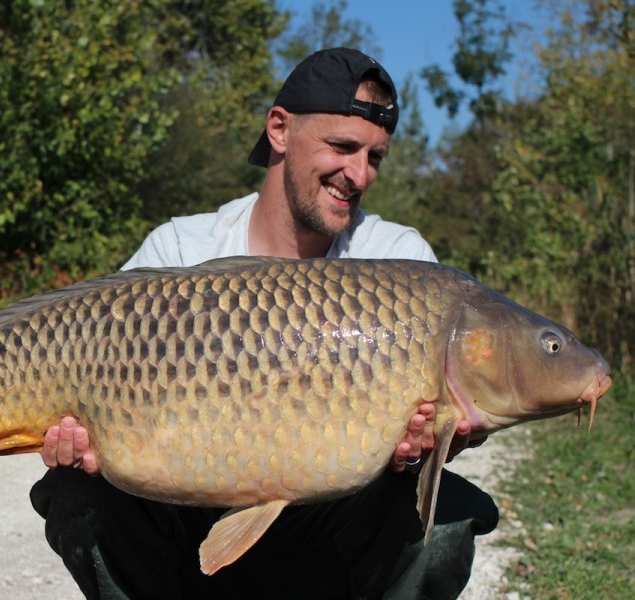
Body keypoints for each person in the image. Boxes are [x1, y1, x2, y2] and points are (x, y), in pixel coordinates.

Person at [30, 47, 497, 599]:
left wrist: (432, 445)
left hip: (322, 529)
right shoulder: (182, 247)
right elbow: (80, 373)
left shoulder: (399, 259)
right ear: (279, 129)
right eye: (342, 147)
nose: (358, 174)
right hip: (182, 524)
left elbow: (441, 429)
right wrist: (75, 441)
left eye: (375, 157)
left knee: (448, 515)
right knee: (76, 490)